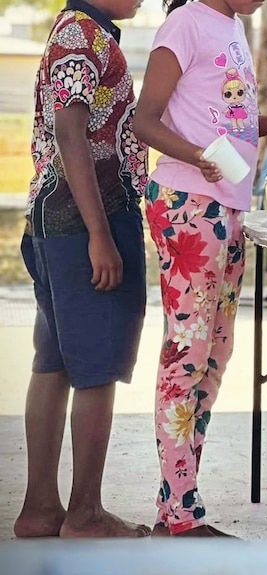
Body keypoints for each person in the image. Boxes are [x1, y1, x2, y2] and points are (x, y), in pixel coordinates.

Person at [134, 0, 267, 537]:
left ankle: (177, 505)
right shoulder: (184, 23)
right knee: (187, 354)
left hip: (227, 205)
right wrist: (195, 156)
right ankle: (180, 515)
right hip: (189, 202)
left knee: (214, 354)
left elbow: (229, 119)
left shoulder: (232, 26)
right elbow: (143, 119)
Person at [14, 0, 151, 538]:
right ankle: (86, 513)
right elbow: (72, 133)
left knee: (55, 362)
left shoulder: (86, 33)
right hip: (84, 219)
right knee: (98, 363)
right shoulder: (80, 37)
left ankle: (40, 510)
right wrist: (100, 234)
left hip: (62, 219)